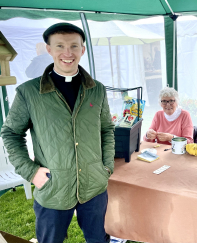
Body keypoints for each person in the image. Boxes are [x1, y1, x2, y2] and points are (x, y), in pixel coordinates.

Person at [1, 23, 115, 243]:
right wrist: (31, 172)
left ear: (82, 50)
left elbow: (106, 129)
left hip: (94, 184)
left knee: (99, 239)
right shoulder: (29, 92)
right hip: (53, 186)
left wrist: (106, 165)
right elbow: (11, 134)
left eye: (74, 46)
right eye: (60, 45)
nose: (67, 53)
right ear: (49, 49)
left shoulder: (97, 89)